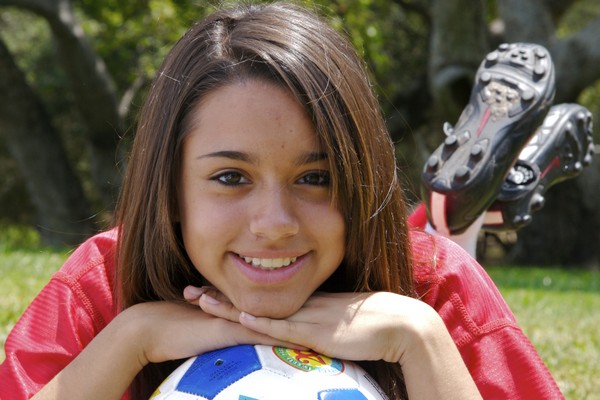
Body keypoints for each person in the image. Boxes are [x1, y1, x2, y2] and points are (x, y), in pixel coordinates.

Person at [0, 2, 564, 399]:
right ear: (169, 190)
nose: (274, 224)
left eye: (316, 178)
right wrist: (132, 338)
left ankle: (452, 215)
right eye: (230, 178)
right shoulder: (103, 286)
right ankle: (459, 208)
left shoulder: (438, 290)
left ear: (360, 181)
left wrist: (419, 343)